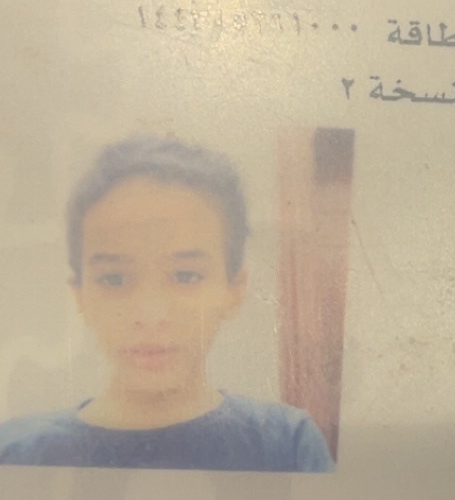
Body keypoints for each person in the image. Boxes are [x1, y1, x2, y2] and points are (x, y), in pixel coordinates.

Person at [0, 136, 335, 470]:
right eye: (114, 279)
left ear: (234, 290)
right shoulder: (17, 452)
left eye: (186, 276)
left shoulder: (286, 445)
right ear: (80, 296)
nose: (151, 316)